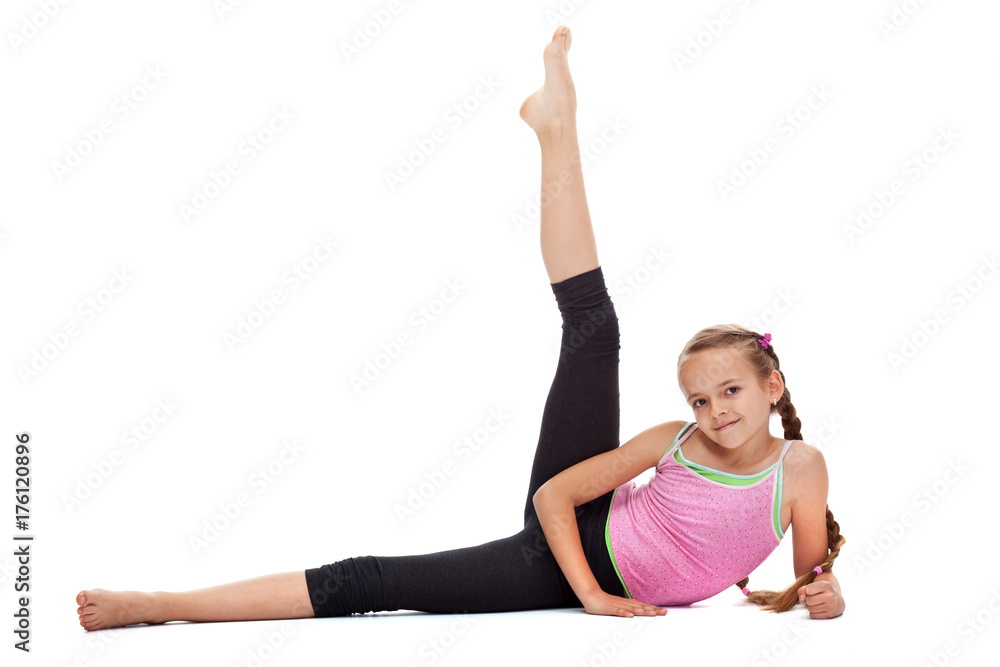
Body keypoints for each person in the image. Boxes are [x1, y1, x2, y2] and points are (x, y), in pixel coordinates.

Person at [75, 25, 845, 632]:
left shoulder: (802, 470)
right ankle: (157, 603)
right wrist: (595, 598)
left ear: (772, 384)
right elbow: (553, 498)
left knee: (370, 582)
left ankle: (158, 600)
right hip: (569, 545)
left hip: (568, 573)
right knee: (594, 327)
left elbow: (814, 578)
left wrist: (824, 596)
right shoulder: (671, 441)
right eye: (700, 397)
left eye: (731, 390)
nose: (716, 410)